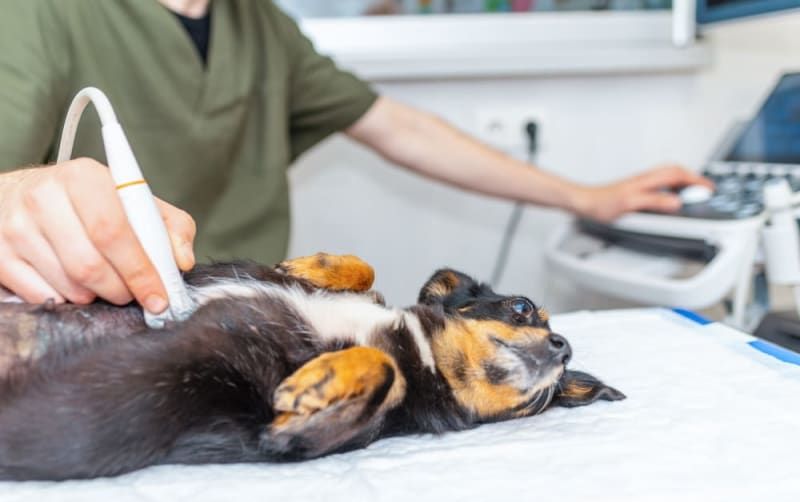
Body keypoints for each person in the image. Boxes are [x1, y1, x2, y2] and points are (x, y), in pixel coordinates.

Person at [0, 0, 710, 315]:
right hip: (111, 322)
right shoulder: (37, 14)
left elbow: (399, 128)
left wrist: (586, 198)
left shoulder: (262, 24)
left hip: (256, 310)